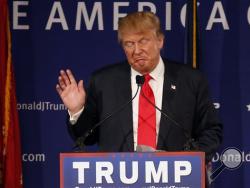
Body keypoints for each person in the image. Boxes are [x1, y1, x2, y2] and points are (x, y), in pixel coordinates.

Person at [56, 11, 222, 163]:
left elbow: (211, 131)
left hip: (175, 179)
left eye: (143, 41)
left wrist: (187, 161)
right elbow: (86, 138)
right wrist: (77, 111)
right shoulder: (103, 82)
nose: (137, 50)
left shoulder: (190, 80)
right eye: (129, 44)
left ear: (160, 41)